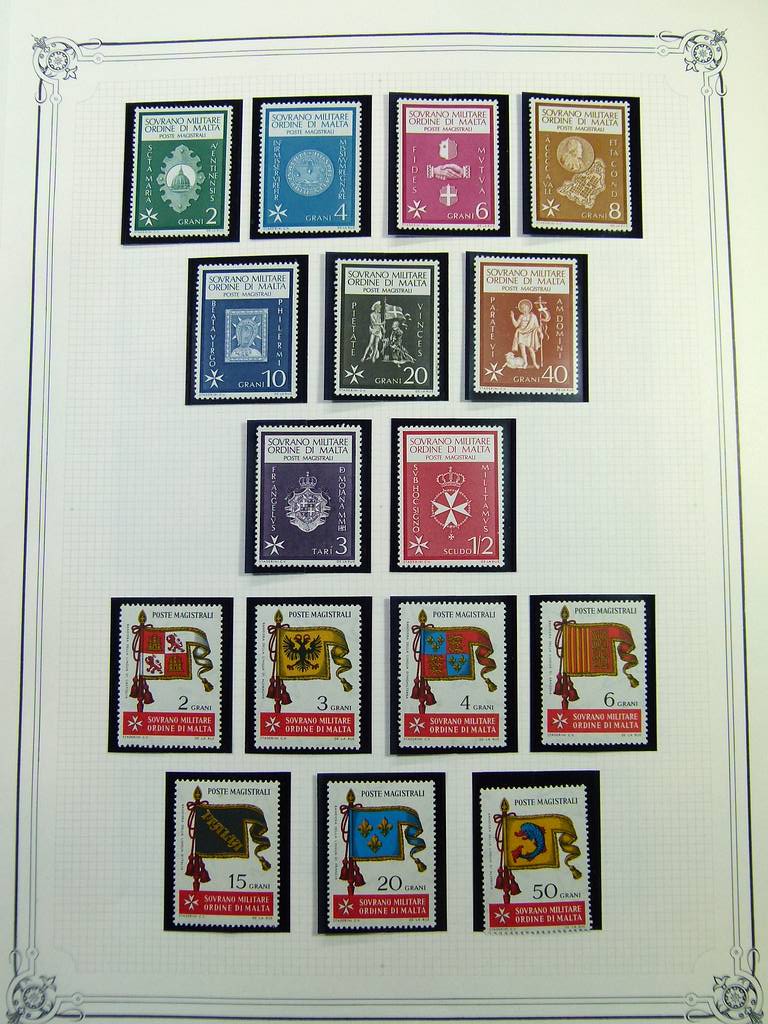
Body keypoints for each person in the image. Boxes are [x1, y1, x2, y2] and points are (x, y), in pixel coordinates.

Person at [509, 299, 547, 370]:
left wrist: (540, 333)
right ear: (521, 309)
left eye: (526, 307)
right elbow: (516, 325)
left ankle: (534, 363)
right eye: (523, 308)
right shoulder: (521, 316)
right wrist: (512, 317)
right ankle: (525, 363)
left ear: (529, 308)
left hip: (530, 334)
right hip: (521, 333)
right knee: (523, 350)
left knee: (531, 350)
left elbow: (537, 326)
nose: (524, 309)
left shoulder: (533, 316)